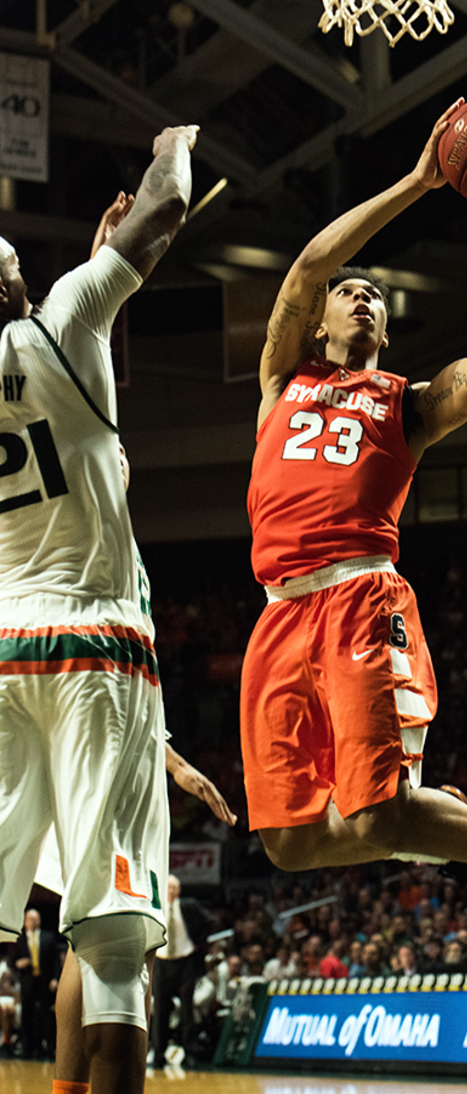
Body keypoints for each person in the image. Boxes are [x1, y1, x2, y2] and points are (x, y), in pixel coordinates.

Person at [239, 99, 467, 970]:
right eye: (350, 293)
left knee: (375, 814)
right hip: (276, 613)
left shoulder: (403, 401)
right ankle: (448, 838)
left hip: (362, 603)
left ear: (386, 328)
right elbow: (307, 264)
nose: (363, 298)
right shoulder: (280, 378)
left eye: (377, 297)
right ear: (322, 321)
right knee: (288, 844)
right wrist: (418, 180)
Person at [0, 124, 197, 1094]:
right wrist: (177, 140)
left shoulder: (61, 325)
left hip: (4, 651)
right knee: (114, 946)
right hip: (93, 650)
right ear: (10, 287)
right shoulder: (59, 320)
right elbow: (166, 207)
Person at [150, 874, 211, 1070]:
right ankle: (158, 1054)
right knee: (160, 1009)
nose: (171, 891)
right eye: (168, 887)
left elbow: (209, 921)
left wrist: (197, 944)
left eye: (174, 887)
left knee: (187, 1009)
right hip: (161, 961)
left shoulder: (188, 906)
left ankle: (190, 1052)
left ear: (179, 890)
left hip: (185, 961)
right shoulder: (154, 907)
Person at [11, 907, 62, 1058]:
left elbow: (55, 962)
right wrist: (19, 964)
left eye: (35, 919)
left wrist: (55, 978)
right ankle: (27, 1047)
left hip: (44, 982)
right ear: (25, 921)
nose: (32, 922)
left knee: (45, 1014)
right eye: (29, 919)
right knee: (27, 1015)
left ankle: (45, 1046)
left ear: (39, 920)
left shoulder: (49, 937)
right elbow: (12, 961)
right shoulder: (19, 939)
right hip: (27, 982)